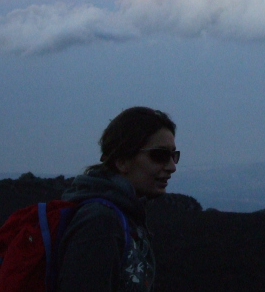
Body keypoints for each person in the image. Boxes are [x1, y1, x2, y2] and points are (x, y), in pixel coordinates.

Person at [55, 106, 179, 292]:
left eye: (173, 156)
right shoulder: (100, 222)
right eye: (159, 155)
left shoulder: (125, 217)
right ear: (122, 161)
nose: (171, 167)